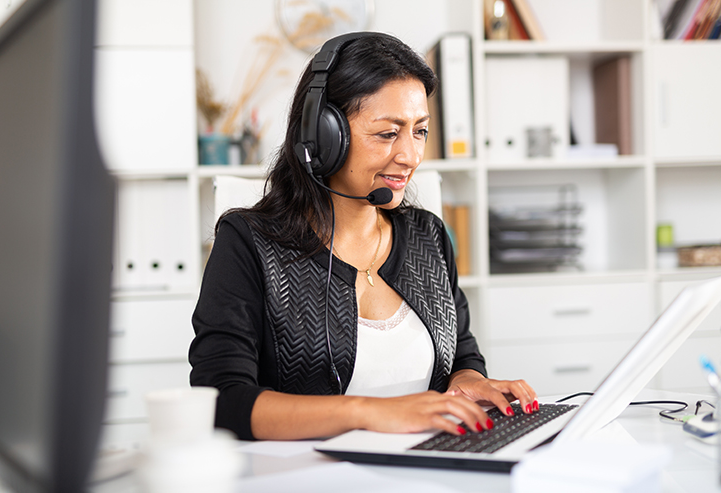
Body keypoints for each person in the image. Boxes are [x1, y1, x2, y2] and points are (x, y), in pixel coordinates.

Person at [189, 32, 537, 441]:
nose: (410, 156)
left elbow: (462, 350)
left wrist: (469, 379)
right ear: (324, 135)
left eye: (420, 131)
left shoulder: (428, 236)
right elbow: (222, 402)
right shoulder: (247, 243)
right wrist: (371, 413)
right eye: (388, 133)